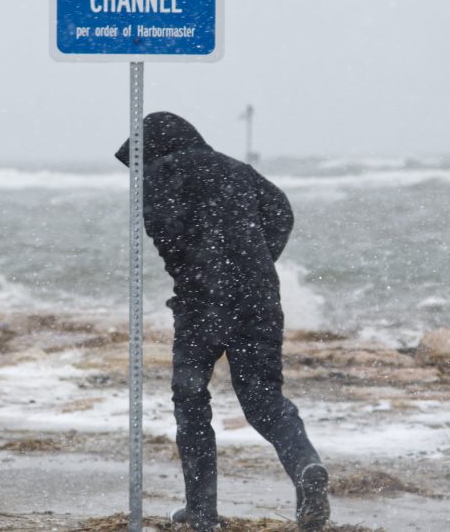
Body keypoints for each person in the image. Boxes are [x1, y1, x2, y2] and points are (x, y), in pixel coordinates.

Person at [116, 112, 330, 531]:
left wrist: (194, 268)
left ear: (152, 147)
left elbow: (165, 230)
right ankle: (306, 466)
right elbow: (281, 212)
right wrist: (256, 263)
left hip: (202, 305)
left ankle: (202, 512)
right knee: (264, 399)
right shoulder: (237, 169)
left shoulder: (162, 172)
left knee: (191, 403)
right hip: (259, 298)